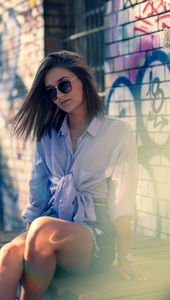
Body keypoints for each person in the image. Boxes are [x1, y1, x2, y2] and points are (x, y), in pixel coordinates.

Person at [0, 50, 146, 300]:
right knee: (8, 254)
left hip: (95, 239)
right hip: (48, 232)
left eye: (64, 85)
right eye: (51, 92)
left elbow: (123, 202)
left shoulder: (117, 131)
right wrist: (28, 248)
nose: (59, 95)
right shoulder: (47, 136)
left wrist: (125, 258)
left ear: (83, 79)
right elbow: (38, 200)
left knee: (43, 228)